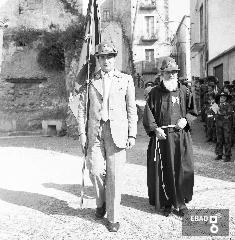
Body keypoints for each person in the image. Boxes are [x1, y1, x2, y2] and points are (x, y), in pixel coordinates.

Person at [77, 41, 137, 232]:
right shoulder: (90, 80)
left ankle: (113, 217)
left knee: (114, 176)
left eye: (109, 57)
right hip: (94, 132)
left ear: (114, 58)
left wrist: (132, 134)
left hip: (117, 133)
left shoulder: (125, 79)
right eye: (102, 57)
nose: (106, 60)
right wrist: (82, 133)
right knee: (94, 170)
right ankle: (101, 201)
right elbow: (81, 110)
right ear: (98, 60)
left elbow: (131, 109)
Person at [143, 57, 195, 217]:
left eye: (174, 72)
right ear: (162, 73)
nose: (171, 75)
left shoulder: (185, 91)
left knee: (183, 168)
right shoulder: (154, 93)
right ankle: (165, 202)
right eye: (168, 72)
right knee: (163, 169)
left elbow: (193, 111)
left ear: (177, 73)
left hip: (181, 137)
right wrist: (155, 129)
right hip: (162, 138)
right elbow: (148, 114)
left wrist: (185, 119)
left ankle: (180, 202)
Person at [215, 92, 234, 162]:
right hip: (218, 124)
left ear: (226, 99)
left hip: (226, 125)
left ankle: (228, 155)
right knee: (219, 139)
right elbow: (211, 113)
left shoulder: (229, 105)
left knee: (227, 140)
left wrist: (219, 112)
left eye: (223, 98)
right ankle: (219, 154)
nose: (221, 99)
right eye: (221, 97)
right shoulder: (217, 105)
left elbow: (229, 113)